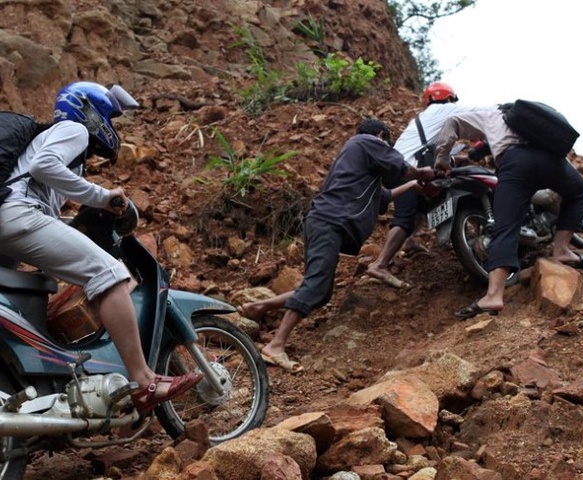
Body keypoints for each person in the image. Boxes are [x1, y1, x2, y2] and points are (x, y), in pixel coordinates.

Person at [0, 81, 202, 413]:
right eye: (111, 117)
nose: (113, 126)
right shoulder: (73, 130)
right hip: (17, 215)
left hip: (9, 221)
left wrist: (76, 222)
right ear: (92, 113)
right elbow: (44, 167)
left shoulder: (50, 143)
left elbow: (43, 199)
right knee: (108, 273)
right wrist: (102, 197)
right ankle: (143, 379)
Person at [239, 118, 435, 372]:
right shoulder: (367, 141)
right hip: (329, 222)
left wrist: (410, 186)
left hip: (324, 221)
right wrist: (421, 173)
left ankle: (258, 307)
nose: (387, 146)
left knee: (320, 291)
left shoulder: (360, 165)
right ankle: (275, 345)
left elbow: (383, 196)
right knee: (315, 287)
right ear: (380, 134)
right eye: (387, 141)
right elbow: (400, 166)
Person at [431, 104, 583, 319]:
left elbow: (453, 123)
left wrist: (441, 159)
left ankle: (494, 295)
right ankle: (562, 249)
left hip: (515, 163)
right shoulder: (526, 118)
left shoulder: (490, 114)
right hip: (552, 160)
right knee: (580, 193)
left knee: (505, 227)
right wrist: (476, 153)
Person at [365, 82, 481, 288]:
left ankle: (409, 243)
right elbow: (477, 113)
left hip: (401, 167)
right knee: (405, 216)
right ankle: (380, 264)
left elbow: (432, 152)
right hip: (407, 168)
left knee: (421, 205)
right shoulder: (441, 110)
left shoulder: (427, 119)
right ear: (449, 99)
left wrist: (454, 160)